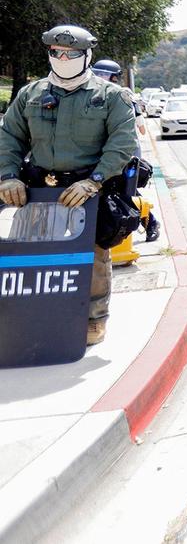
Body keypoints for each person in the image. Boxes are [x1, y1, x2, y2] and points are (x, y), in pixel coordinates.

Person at [0, 25, 139, 345]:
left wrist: (96, 181)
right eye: (56, 53)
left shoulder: (111, 96)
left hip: (87, 191)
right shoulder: (29, 94)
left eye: (71, 53)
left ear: (86, 55)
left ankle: (94, 317)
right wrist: (8, 176)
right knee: (31, 251)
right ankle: (34, 311)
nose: (62, 58)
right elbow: (10, 137)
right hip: (37, 190)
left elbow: (121, 143)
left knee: (92, 256)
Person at [92, 58, 161, 241]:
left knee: (126, 193)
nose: (101, 79)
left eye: (105, 76)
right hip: (98, 155)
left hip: (125, 154)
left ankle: (149, 223)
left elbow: (140, 127)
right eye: (98, 75)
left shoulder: (123, 95)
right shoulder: (89, 96)